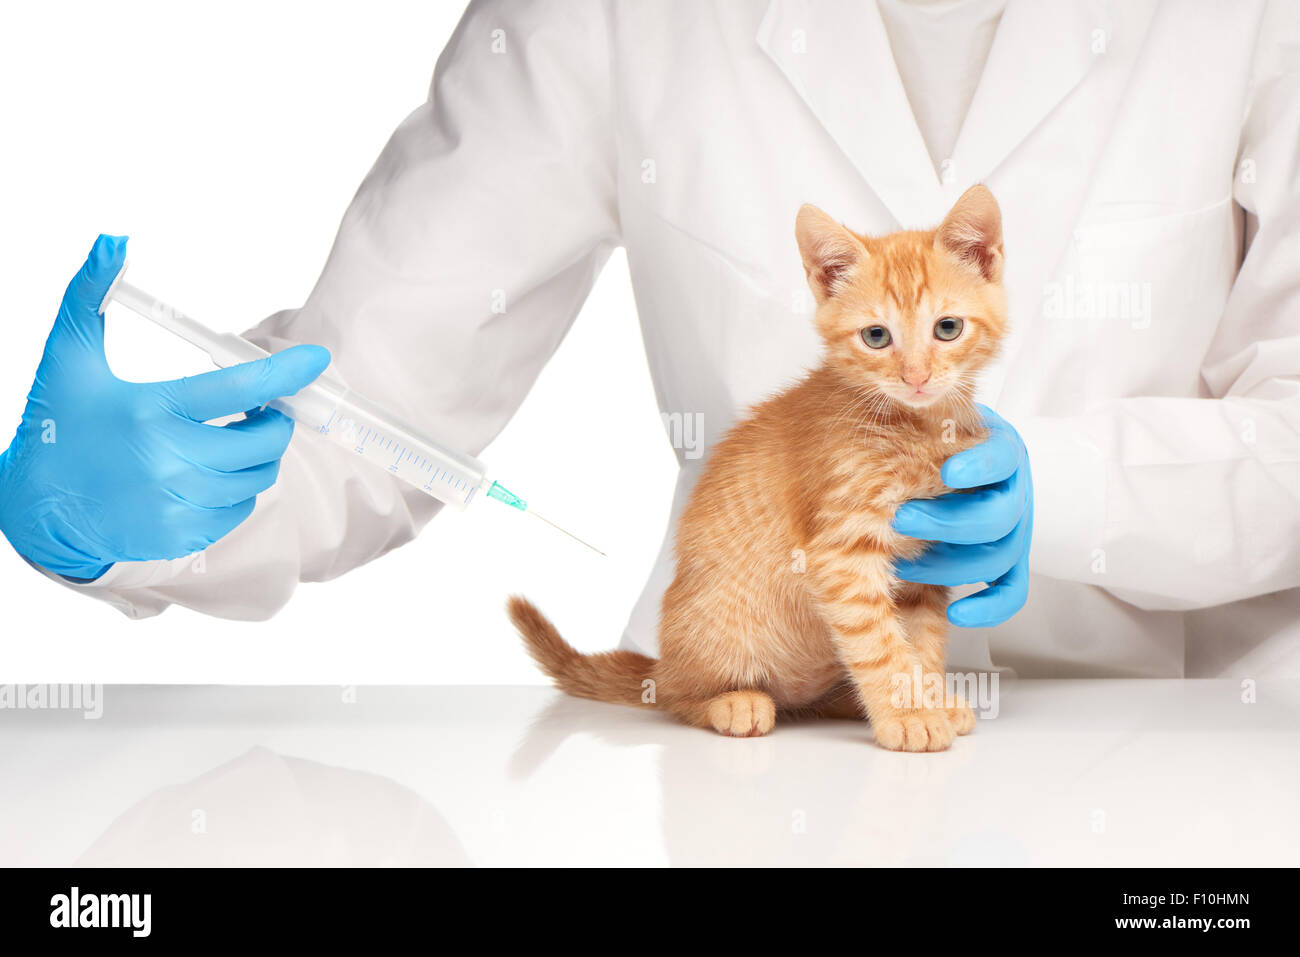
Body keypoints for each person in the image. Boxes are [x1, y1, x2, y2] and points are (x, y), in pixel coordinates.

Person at [2, 0, 1297, 677]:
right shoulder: (610, 10)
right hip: (763, 745)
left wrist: (1070, 492)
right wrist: (127, 512)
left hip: (1180, 749)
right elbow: (369, 408)